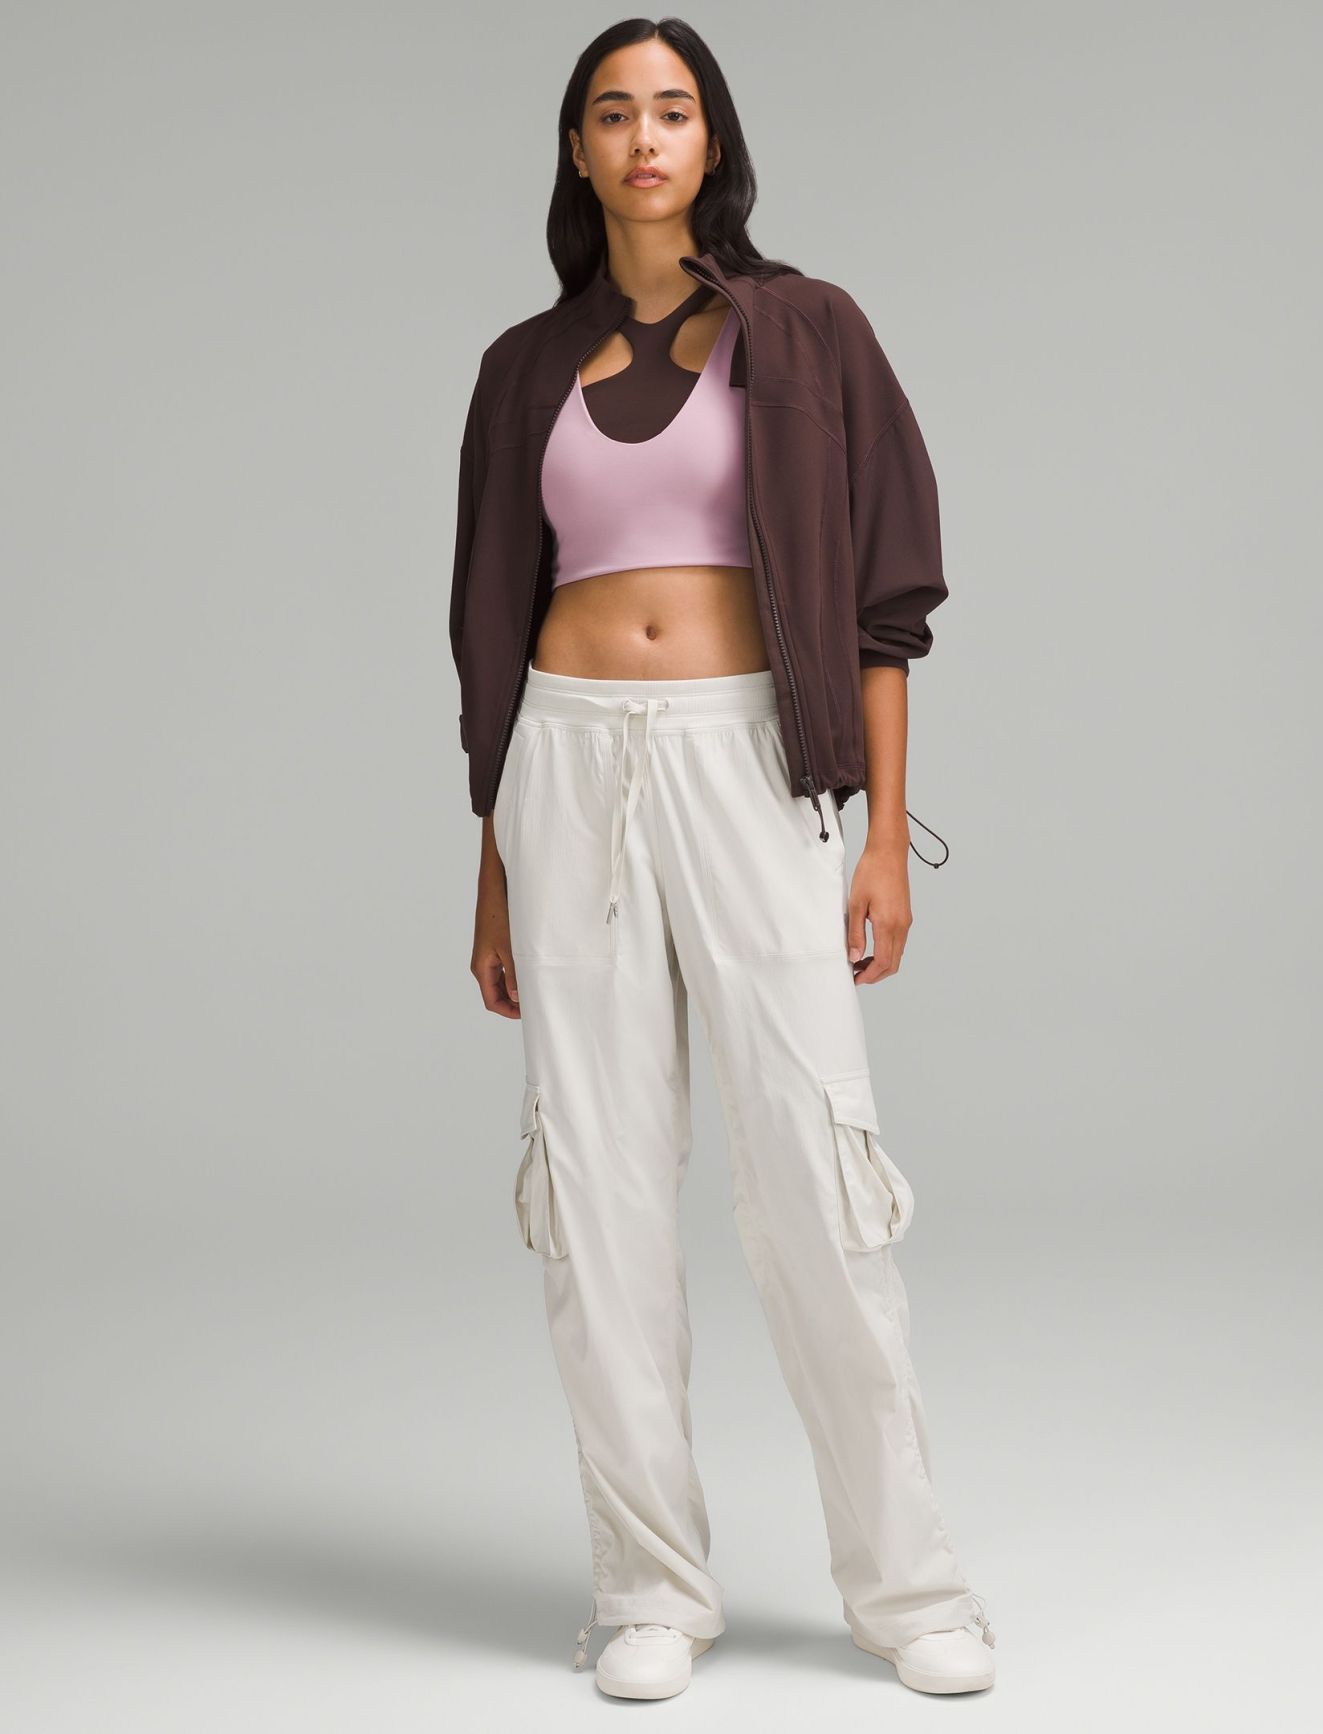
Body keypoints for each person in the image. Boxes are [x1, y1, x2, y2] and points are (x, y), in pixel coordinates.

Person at [448, 17, 996, 1701]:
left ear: (712, 139)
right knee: (596, 1187)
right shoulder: (520, 368)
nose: (642, 137)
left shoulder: (808, 330)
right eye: (611, 112)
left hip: (754, 765)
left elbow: (885, 599)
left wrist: (880, 835)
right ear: (575, 148)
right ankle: (649, 1588)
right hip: (564, 771)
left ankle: (906, 1587)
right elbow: (487, 621)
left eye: (671, 109)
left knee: (814, 1177)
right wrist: (492, 866)